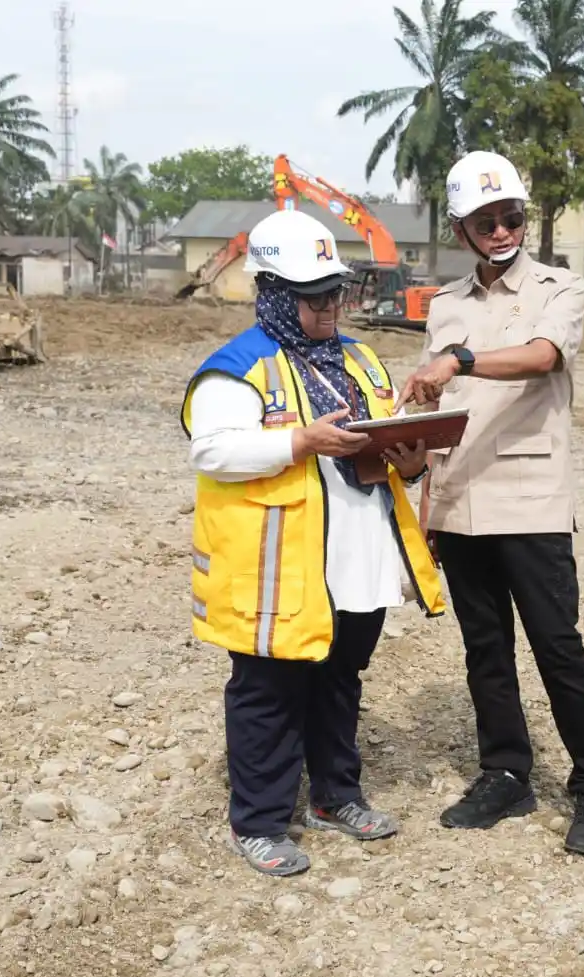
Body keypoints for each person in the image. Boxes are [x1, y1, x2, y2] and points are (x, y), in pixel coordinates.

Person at [180, 208, 445, 877]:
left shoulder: (356, 357)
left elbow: (385, 444)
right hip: (278, 569)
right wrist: (301, 440)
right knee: (267, 691)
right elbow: (213, 452)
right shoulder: (236, 368)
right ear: (270, 291)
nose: (330, 307)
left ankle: (335, 795)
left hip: (357, 558)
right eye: (314, 296)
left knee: (339, 680)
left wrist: (411, 457)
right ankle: (261, 821)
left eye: (335, 292)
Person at [395, 150, 584, 858]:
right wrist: (420, 488)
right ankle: (505, 772)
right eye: (486, 221)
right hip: (460, 497)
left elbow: (542, 357)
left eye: (511, 217)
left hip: (530, 497)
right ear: (461, 229)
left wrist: (456, 360)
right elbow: (442, 406)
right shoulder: (446, 305)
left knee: (558, 646)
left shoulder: (560, 286)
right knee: (484, 649)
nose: (501, 230)